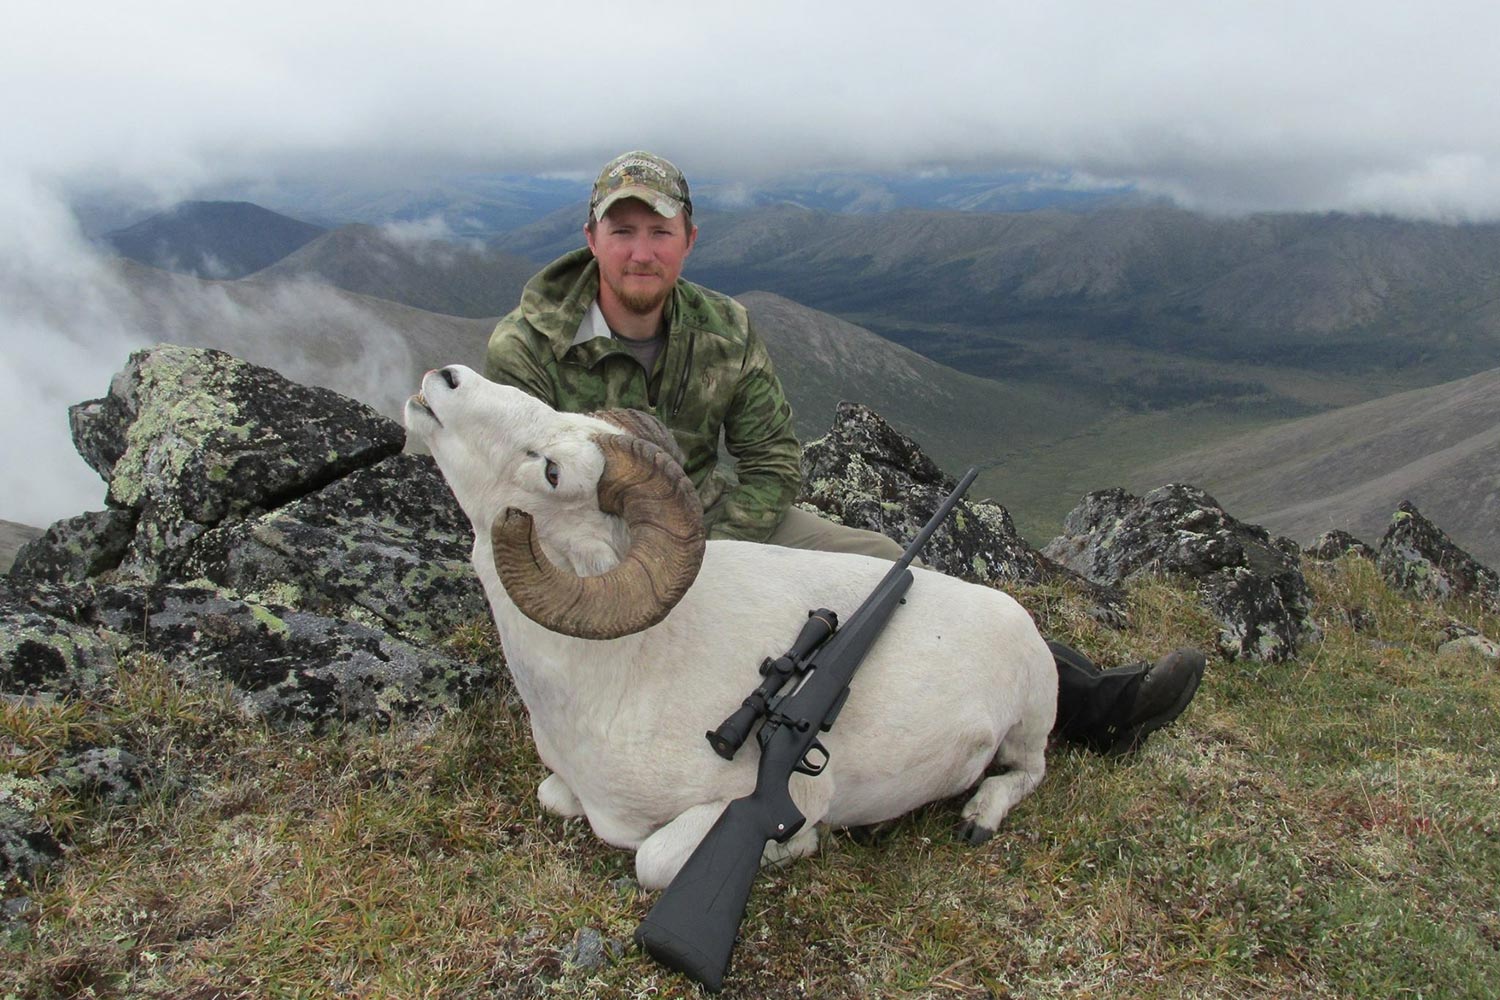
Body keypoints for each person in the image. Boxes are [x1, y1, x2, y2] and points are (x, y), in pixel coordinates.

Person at [484, 150, 1203, 756]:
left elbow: (770, 461)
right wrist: (640, 570)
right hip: (593, 553)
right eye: (623, 231)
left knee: (892, 574)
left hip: (714, 526)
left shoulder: (725, 328)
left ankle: (1089, 704)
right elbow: (516, 494)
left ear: (689, 240)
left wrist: (701, 549)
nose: (642, 251)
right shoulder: (526, 348)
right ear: (591, 237)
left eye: (659, 231)